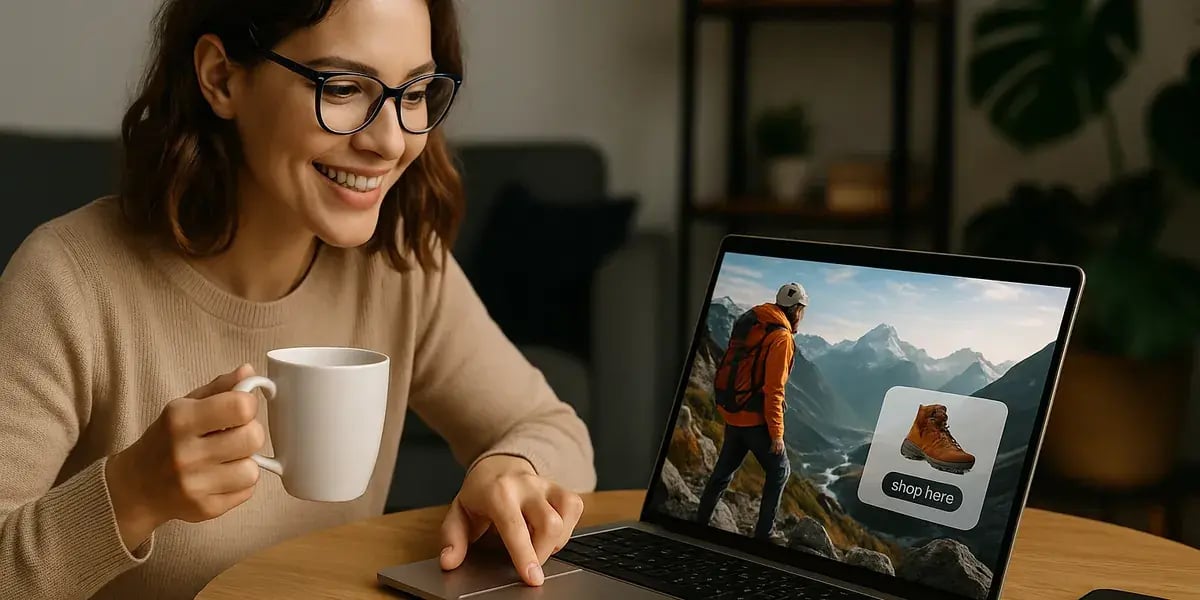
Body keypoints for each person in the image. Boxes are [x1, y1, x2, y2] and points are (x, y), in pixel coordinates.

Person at [0, 1, 595, 598]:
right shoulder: (66, 279)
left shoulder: (400, 264)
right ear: (221, 78)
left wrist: (511, 471)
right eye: (342, 87)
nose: (389, 142)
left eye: (413, 93)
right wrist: (128, 495)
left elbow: (553, 430)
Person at [696, 282, 807, 540]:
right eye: (802, 310)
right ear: (797, 310)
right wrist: (777, 434)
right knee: (780, 470)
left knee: (723, 472)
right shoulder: (781, 337)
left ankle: (699, 522)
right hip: (755, 420)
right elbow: (773, 390)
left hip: (734, 411)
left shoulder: (756, 321)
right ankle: (764, 536)